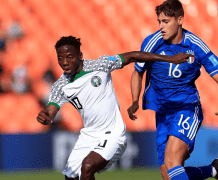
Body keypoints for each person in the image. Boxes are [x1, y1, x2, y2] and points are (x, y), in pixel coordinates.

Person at [36, 36, 192, 180]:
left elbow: (131, 56)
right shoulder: (60, 86)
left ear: (80, 56)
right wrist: (46, 116)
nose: (64, 62)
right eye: (60, 58)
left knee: (87, 166)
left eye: (70, 57)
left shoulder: (100, 66)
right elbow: (51, 109)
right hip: (88, 136)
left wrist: (168, 58)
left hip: (112, 134)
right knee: (70, 177)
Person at [127, 0, 218, 179]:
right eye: (159, 21)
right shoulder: (152, 42)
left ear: (180, 20)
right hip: (162, 113)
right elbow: (137, 73)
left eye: (166, 21)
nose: (161, 26)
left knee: (172, 161)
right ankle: (214, 170)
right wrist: (135, 101)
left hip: (186, 108)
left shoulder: (195, 45)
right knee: (168, 174)